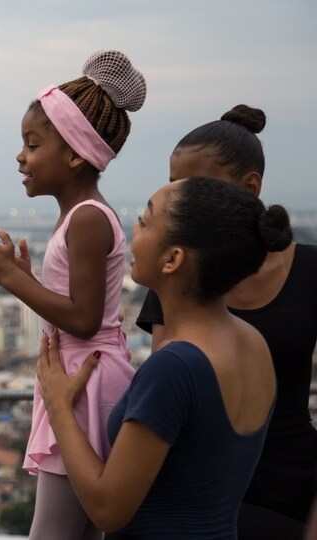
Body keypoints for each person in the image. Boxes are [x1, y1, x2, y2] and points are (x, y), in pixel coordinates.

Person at [39, 176, 290, 537]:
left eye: (144, 221)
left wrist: (59, 405)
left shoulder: (174, 368)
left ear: (172, 259)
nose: (133, 233)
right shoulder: (253, 343)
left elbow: (108, 509)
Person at [0, 50, 145, 539]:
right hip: (80, 374)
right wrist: (32, 281)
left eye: (32, 144)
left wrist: (13, 279)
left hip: (83, 379)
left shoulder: (88, 217)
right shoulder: (81, 213)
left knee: (52, 531)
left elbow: (85, 318)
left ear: (74, 154)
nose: (20, 156)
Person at [134, 105, 316, 537]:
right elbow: (167, 397)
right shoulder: (171, 273)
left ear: (250, 187)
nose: (182, 200)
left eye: (195, 187)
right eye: (176, 187)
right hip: (197, 489)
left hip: (287, 487)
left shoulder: (310, 271)